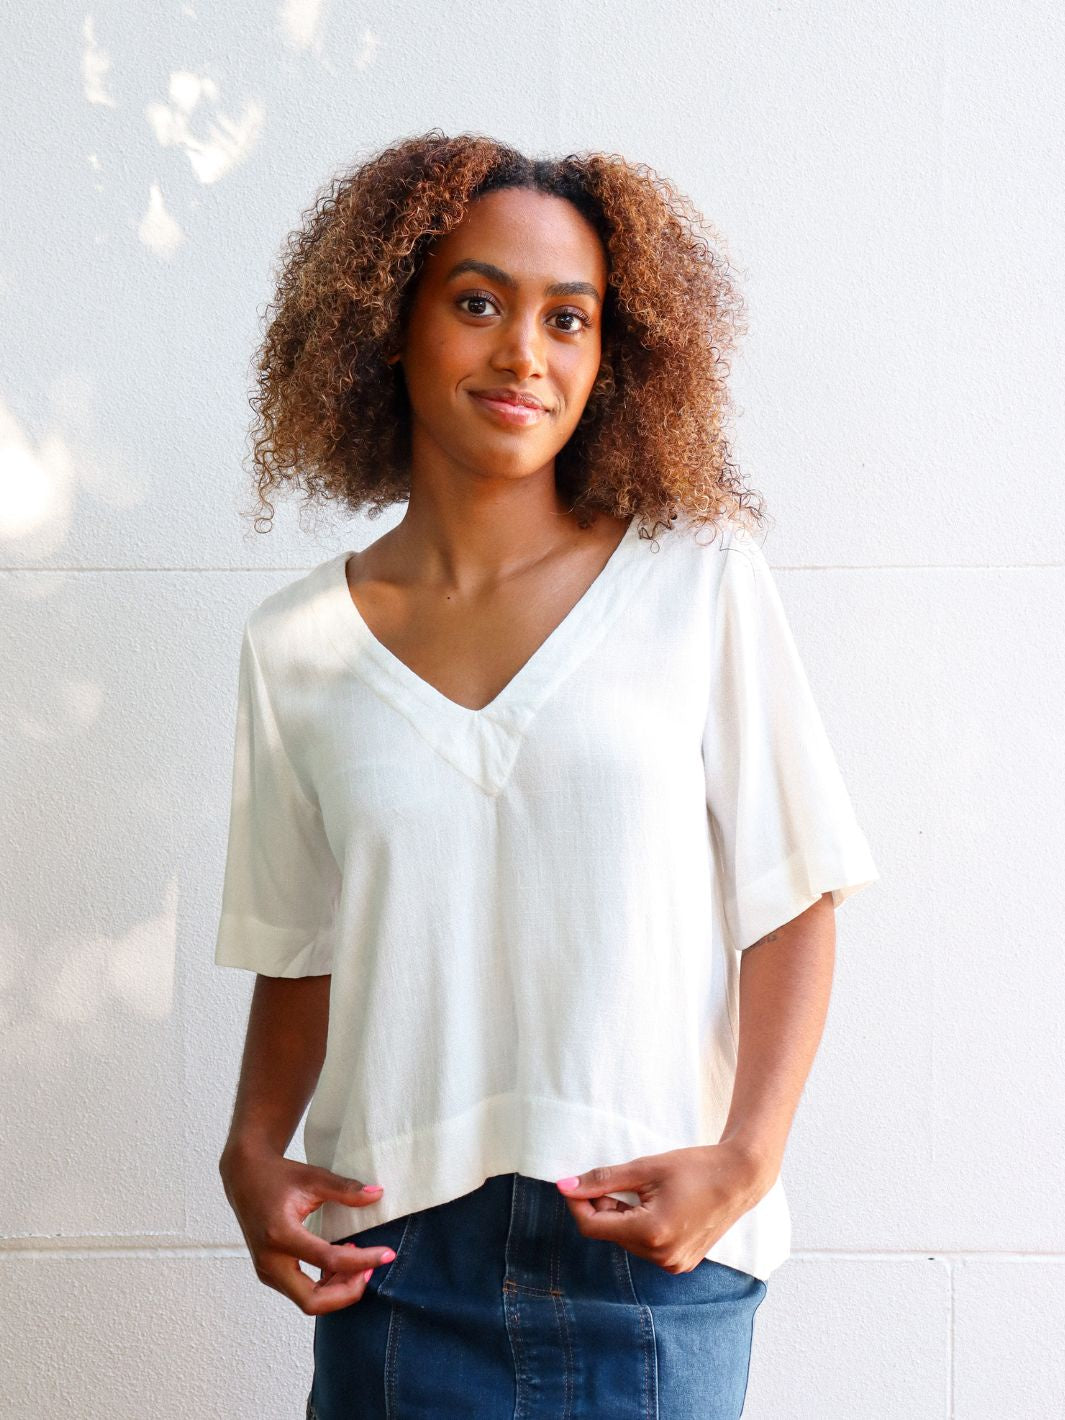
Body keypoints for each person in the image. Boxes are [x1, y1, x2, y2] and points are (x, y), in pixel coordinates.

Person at [214, 130, 879, 1420]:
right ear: (388, 327)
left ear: (610, 358)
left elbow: (796, 894)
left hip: (651, 1262)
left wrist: (746, 1161)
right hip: (395, 1264)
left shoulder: (698, 581)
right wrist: (250, 1147)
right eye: (478, 303)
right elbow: (299, 946)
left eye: (568, 318)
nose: (525, 352)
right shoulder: (296, 648)